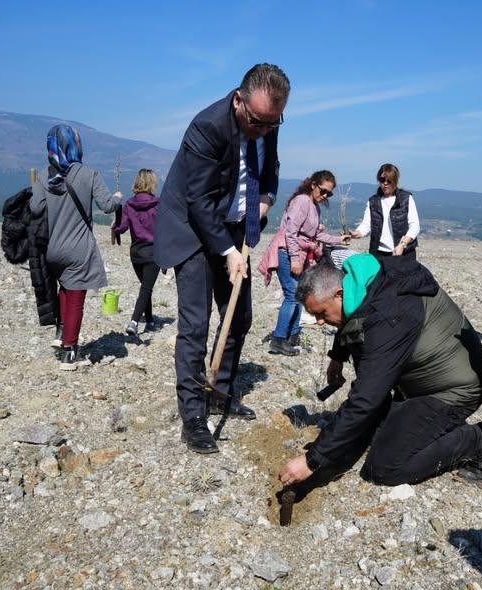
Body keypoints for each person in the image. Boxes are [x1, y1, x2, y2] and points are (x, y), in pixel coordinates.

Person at [279, 255, 482, 489]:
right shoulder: (365, 283)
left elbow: (366, 399)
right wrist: (338, 356)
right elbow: (354, 317)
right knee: (373, 431)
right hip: (421, 377)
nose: (318, 322)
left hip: (455, 388)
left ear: (339, 293)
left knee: (384, 467)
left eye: (321, 313)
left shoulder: (388, 315)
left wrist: (312, 460)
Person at [154, 63, 290, 455]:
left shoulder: (267, 121)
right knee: (196, 323)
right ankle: (194, 415)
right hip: (192, 230)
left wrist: (266, 198)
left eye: (272, 123)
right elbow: (198, 200)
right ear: (238, 100)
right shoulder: (207, 127)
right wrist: (228, 252)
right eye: (257, 121)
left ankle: (220, 391)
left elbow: (269, 168)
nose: (263, 130)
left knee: (239, 316)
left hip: (234, 227)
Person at [29, 124, 122, 371]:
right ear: (74, 145)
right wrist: (118, 199)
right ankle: (69, 350)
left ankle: (61, 334)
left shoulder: (42, 176)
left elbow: (36, 209)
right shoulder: (88, 174)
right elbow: (107, 205)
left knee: (64, 287)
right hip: (79, 248)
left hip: (52, 250)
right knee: (76, 296)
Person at [257, 170, 350, 356]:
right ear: (313, 185)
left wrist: (339, 240)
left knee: (299, 295)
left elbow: (315, 235)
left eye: (329, 194)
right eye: (323, 191)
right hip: (288, 252)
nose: (325, 196)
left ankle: (293, 335)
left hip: (298, 253)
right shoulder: (302, 202)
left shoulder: (314, 206)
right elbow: (290, 232)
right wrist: (295, 259)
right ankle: (278, 339)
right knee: (292, 295)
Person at [112, 169, 160, 336]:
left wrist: (115, 227)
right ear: (152, 183)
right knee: (146, 288)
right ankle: (134, 321)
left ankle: (150, 320)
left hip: (136, 254)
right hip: (153, 253)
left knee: (145, 287)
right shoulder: (158, 204)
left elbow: (122, 228)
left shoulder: (129, 204)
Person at [350, 163, 420, 271]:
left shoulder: (406, 199)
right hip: (378, 255)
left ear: (395, 181)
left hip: (403, 254)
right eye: (382, 180)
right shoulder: (373, 201)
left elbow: (415, 226)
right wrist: (356, 233)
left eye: (389, 180)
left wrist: (402, 244)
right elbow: (366, 225)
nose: (385, 184)